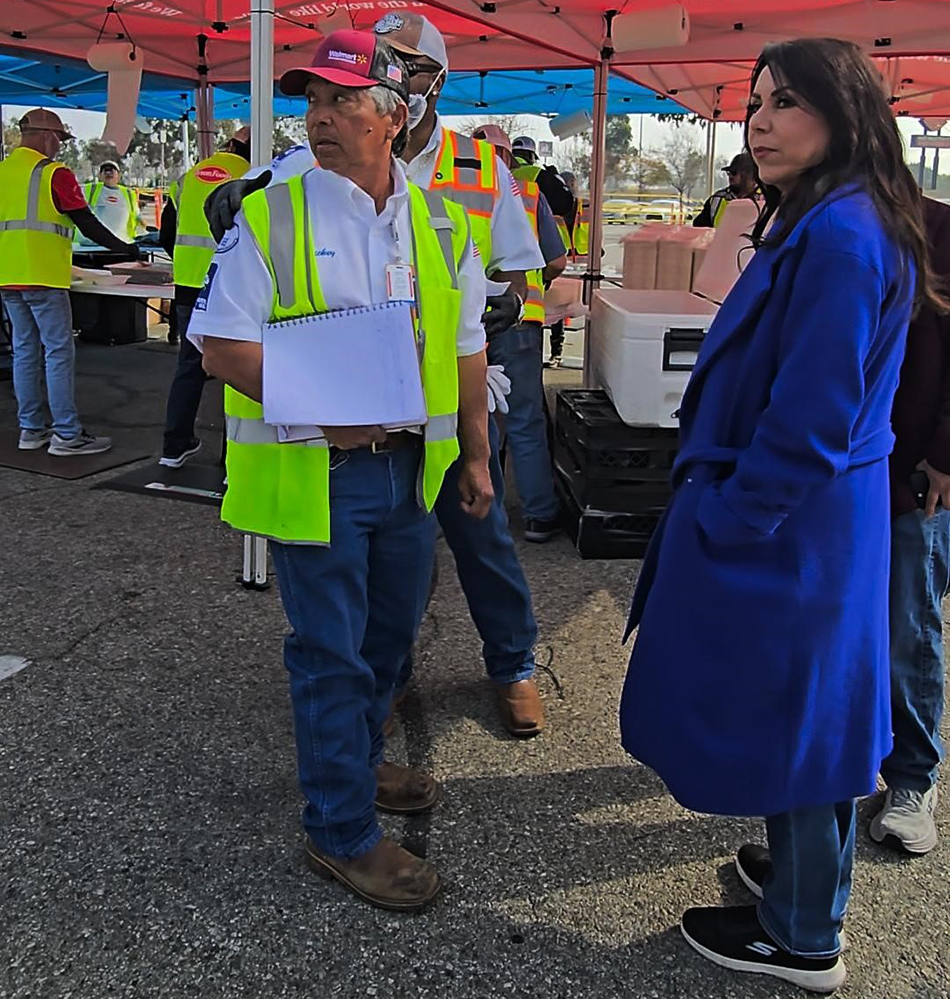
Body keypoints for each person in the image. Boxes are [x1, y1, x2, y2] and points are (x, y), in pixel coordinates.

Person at [619, 39, 938, 992]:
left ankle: (804, 930)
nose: (760, 120)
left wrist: (731, 517)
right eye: (755, 101)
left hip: (793, 522)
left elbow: (810, 422)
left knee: (810, 724)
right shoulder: (836, 215)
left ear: (844, 116)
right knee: (815, 714)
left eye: (786, 102)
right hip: (813, 517)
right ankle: (806, 876)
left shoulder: (841, 236)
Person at [187, 30, 491, 911]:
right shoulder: (271, 211)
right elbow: (221, 346)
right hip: (315, 470)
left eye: (343, 100)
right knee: (329, 653)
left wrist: (473, 452)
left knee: (386, 645)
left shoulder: (440, 218)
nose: (319, 118)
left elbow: (467, 345)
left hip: (408, 471)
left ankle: (353, 767)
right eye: (311, 101)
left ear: (396, 116)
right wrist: (325, 406)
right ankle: (340, 829)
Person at [206, 12, 549, 738]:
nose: (324, 115)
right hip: (349, 434)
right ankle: (373, 707)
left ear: (427, 87)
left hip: (448, 399)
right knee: (378, 597)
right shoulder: (305, 169)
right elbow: (243, 257)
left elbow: (521, 271)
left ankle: (512, 662)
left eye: (413, 65)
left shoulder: (477, 167)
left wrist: (507, 308)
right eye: (388, 59)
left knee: (483, 540)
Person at [869, 196, 950, 856]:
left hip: (910, 473)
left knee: (908, 622)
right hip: (835, 470)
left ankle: (912, 777)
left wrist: (945, 453)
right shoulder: (795, 218)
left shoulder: (935, 225)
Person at [0, 109, 140, 456]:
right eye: (60, 140)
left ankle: (31, 429)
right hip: (44, 276)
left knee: (25, 353)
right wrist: (126, 249)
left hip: (8, 276)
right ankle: (67, 434)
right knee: (58, 353)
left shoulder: (3, 172)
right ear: (47, 136)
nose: (59, 147)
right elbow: (85, 222)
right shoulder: (53, 174)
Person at [473, 123, 566, 542]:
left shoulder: (444, 183)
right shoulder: (529, 194)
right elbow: (558, 260)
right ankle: (539, 514)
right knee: (524, 418)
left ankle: (464, 510)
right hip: (519, 318)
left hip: (461, 318)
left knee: (459, 414)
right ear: (510, 157)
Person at [158, 127, 250, 467]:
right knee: (235, 369)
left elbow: (167, 234)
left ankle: (174, 446)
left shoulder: (187, 179)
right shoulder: (253, 176)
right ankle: (231, 461)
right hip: (230, 287)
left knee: (189, 366)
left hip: (187, 284)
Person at [547, 170, 580, 369]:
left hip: (581, 269)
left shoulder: (585, 206)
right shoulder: (552, 207)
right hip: (560, 268)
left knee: (561, 313)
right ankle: (555, 352)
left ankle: (556, 353)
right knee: (554, 314)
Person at [692, 152, 759, 228]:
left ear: (750, 175)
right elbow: (699, 230)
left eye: (734, 172)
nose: (730, 176)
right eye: (729, 172)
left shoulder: (766, 200)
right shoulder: (716, 200)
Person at [81, 161, 141, 242]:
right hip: (92, 244)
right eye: (105, 171)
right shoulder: (89, 189)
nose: (108, 173)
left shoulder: (129, 194)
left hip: (122, 243)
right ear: (99, 175)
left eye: (112, 170)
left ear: (119, 175)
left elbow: (137, 217)